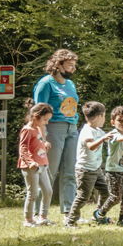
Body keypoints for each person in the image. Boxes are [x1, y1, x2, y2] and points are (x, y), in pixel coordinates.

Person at [33, 49, 80, 215]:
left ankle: (69, 211)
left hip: (72, 129)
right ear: (58, 65)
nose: (73, 68)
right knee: (48, 172)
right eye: (70, 65)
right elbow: (37, 113)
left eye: (74, 65)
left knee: (70, 172)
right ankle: (38, 212)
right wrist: (42, 137)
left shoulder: (70, 84)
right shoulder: (46, 83)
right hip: (53, 128)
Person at [65, 101, 115, 227]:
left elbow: (111, 137)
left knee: (106, 192)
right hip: (85, 170)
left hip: (96, 169)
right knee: (83, 197)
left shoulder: (98, 130)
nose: (105, 119)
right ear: (99, 116)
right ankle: (70, 221)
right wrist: (103, 139)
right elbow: (91, 146)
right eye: (104, 116)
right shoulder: (87, 131)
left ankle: (98, 215)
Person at [17, 101, 54, 227]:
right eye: (45, 119)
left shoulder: (38, 128)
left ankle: (42, 217)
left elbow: (37, 144)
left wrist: (45, 144)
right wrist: (30, 162)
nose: (47, 122)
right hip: (31, 167)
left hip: (42, 165)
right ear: (35, 116)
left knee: (48, 191)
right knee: (33, 193)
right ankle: (28, 220)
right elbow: (23, 148)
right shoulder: (27, 130)